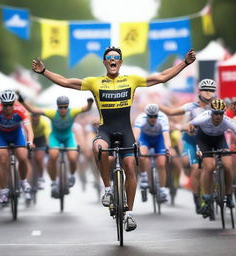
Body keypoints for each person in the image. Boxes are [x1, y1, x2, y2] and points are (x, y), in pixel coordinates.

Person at [31, 46, 196, 231]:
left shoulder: (132, 80)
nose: (112, 60)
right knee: (99, 148)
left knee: (130, 168)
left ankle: (130, 215)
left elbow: (161, 77)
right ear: (104, 62)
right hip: (105, 131)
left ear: (120, 62)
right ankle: (108, 190)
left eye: (116, 57)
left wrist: (185, 63)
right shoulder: (95, 82)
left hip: (126, 132)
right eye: (109, 57)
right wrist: (44, 72)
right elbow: (67, 82)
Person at [17, 94, 93, 198]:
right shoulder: (52, 113)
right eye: (60, 107)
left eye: (65, 107)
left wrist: (90, 103)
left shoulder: (73, 112)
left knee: (72, 157)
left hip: (68, 137)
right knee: (53, 156)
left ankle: (71, 175)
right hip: (55, 137)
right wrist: (22, 102)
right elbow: (34, 110)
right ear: (57, 107)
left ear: (68, 106)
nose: (63, 109)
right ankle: (53, 182)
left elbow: (86, 109)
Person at [158, 79, 217, 213]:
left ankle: (218, 191)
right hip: (192, 140)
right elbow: (174, 114)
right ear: (199, 91)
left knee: (215, 165)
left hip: (209, 140)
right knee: (196, 168)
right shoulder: (191, 106)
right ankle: (197, 197)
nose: (208, 93)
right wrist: (158, 106)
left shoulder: (217, 106)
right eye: (205, 90)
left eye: (211, 90)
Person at [184, 99, 236, 218]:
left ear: (224, 113)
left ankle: (228, 195)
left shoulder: (227, 121)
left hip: (219, 140)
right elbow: (191, 124)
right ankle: (207, 199)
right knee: (209, 166)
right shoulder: (203, 117)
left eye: (220, 114)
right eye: (215, 113)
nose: (218, 116)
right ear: (211, 112)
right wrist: (191, 129)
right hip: (203, 140)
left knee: (228, 164)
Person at [0, 90, 34, 205]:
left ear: (14, 103)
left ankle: (24, 182)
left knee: (23, 157)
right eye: (5, 105)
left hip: (16, 134)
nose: (8, 107)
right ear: (1, 104)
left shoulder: (21, 110)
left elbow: (29, 129)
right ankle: (3, 192)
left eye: (10, 104)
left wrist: (30, 141)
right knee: (3, 160)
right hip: (1, 135)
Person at [133, 104, 171, 203]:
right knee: (141, 154)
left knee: (161, 163)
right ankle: (144, 177)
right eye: (150, 116)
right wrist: (134, 145)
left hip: (159, 140)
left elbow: (166, 136)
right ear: (146, 115)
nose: (153, 118)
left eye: (155, 116)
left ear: (158, 115)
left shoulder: (163, 118)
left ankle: (162, 190)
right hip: (145, 139)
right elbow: (136, 135)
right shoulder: (141, 118)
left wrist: (168, 148)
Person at [30, 113, 51, 190]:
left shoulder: (44, 122)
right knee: (28, 158)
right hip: (30, 138)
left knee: (39, 158)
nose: (35, 119)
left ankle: (41, 177)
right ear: (30, 116)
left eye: (37, 118)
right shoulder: (27, 120)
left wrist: (48, 146)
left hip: (40, 139)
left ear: (39, 117)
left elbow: (47, 136)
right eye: (33, 117)